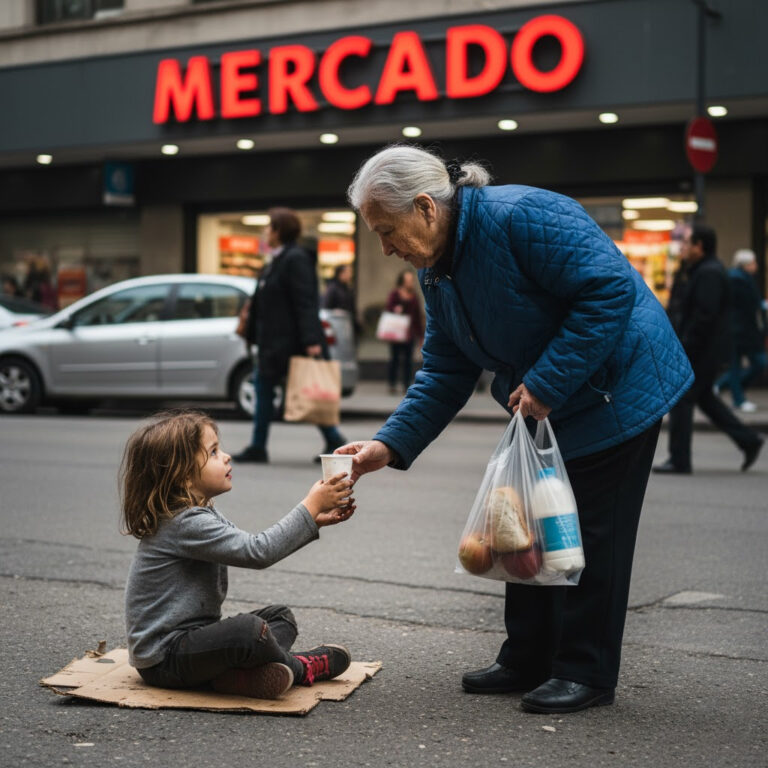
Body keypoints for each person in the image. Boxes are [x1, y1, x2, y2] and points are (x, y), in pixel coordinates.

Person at [336, 144, 694, 714]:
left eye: (386, 230)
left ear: (426, 207)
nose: (385, 247)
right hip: (546, 400)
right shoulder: (438, 271)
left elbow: (609, 292)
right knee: (526, 522)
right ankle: (526, 656)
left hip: (617, 388)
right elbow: (446, 371)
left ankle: (585, 670)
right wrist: (389, 444)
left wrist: (547, 384)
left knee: (594, 534)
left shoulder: (521, 215)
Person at [121, 410, 356, 700]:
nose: (227, 456)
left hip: (193, 646)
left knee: (279, 616)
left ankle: (236, 677)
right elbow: (258, 551)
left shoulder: (201, 511)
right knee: (250, 631)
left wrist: (314, 520)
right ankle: (302, 667)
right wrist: (311, 504)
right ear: (182, 474)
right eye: (214, 452)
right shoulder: (184, 523)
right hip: (165, 659)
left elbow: (254, 546)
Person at [233, 208, 347, 464]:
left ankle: (333, 438)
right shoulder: (277, 259)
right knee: (265, 388)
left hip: (290, 343)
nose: (265, 232)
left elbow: (305, 302)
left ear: (279, 231)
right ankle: (260, 446)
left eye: (269, 227)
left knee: (309, 390)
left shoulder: (295, 259)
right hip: (273, 343)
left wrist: (311, 342)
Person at [654, 227, 764, 475]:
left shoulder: (709, 274)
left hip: (701, 351)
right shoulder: (703, 270)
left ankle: (679, 460)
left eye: (687, 243)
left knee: (682, 399)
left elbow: (704, 317)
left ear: (699, 246)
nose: (683, 247)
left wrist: (685, 347)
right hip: (706, 350)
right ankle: (749, 441)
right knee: (705, 400)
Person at [713, 249, 767, 412]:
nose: (755, 266)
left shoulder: (742, 278)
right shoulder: (738, 280)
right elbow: (746, 306)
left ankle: (721, 386)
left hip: (741, 330)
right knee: (740, 365)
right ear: (745, 264)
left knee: (742, 365)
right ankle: (737, 397)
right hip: (740, 331)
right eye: (753, 263)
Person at [385, 269, 425, 393]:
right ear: (402, 281)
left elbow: (418, 317)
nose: (410, 282)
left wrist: (421, 336)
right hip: (396, 332)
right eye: (407, 280)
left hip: (409, 333)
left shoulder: (414, 296)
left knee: (408, 360)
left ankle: (406, 384)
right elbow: (388, 309)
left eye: (411, 280)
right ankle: (392, 384)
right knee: (395, 359)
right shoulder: (395, 294)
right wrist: (395, 309)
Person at [322, 264, 361, 339]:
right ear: (341, 274)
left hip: (348, 324)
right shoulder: (333, 288)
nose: (350, 275)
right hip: (337, 326)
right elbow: (326, 306)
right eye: (348, 272)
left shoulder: (347, 288)